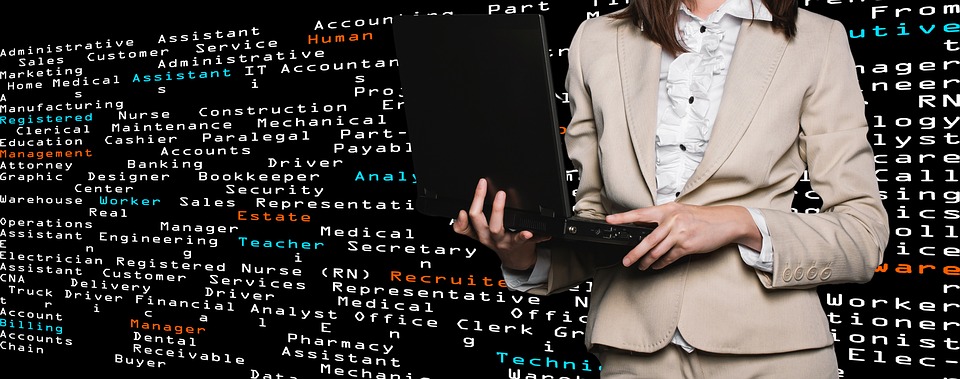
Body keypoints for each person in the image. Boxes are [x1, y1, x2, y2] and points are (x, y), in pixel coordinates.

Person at [452, 0, 890, 377]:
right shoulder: (597, 38)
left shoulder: (819, 39)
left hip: (775, 352)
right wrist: (521, 252)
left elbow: (863, 234)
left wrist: (738, 223)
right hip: (632, 352)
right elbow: (597, 222)